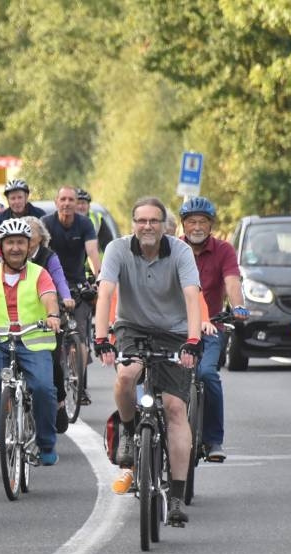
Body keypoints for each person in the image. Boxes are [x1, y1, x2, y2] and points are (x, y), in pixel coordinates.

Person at [94, 197, 203, 526]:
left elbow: (191, 297)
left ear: (163, 225)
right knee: (126, 376)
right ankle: (128, 430)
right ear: (133, 224)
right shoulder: (117, 249)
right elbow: (106, 293)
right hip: (132, 327)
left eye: (154, 221)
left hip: (175, 331)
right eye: (141, 221)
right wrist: (101, 338)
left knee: (173, 409)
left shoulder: (180, 252)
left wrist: (193, 341)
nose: (147, 227)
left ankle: (176, 497)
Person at [0, 218, 62, 465]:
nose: (15, 248)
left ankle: (46, 443)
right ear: (1, 247)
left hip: (33, 340)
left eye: (20, 243)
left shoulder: (40, 274)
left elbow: (49, 297)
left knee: (45, 389)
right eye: (10, 243)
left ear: (29, 246)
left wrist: (52, 315)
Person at [177, 196, 248, 462]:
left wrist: (238, 306)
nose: (197, 227)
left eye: (203, 222)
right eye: (192, 221)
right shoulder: (173, 248)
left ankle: (213, 440)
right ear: (183, 225)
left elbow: (231, 282)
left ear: (211, 226)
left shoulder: (224, 250)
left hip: (211, 327)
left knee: (207, 374)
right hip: (176, 327)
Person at [42, 185, 102, 405]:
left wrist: (99, 280)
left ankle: (79, 383)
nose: (67, 203)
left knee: (81, 337)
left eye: (71, 200)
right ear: (56, 202)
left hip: (78, 285)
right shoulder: (47, 223)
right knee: (53, 338)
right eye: (63, 199)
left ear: (78, 204)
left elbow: (93, 253)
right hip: (51, 285)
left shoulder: (85, 224)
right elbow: (40, 252)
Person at [23, 216, 73, 433]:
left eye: (31, 232)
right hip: (21, 317)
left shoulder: (48, 257)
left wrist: (67, 297)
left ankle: (59, 402)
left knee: (52, 362)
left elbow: (59, 278)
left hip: (47, 316)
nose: (26, 238)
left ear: (41, 237)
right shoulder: (13, 256)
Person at [76, 188, 115, 252]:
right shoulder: (66, 219)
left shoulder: (97, 218)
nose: (80, 206)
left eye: (83, 203)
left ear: (89, 206)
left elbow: (108, 243)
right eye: (78, 203)